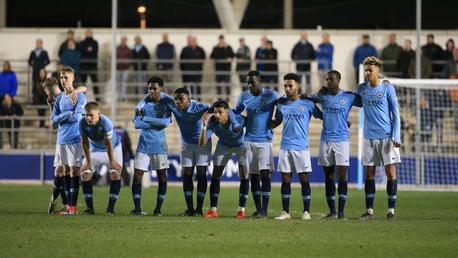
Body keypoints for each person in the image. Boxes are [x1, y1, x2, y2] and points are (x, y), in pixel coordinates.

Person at [308, 70, 362, 219]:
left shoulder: (348, 96)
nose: (328, 82)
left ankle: (341, 212)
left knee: (342, 175)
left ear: (339, 79)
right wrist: (317, 92)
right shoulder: (322, 96)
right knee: (329, 176)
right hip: (325, 140)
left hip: (342, 140)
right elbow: (306, 99)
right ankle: (332, 211)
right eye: (327, 79)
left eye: (331, 79)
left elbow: (365, 102)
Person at [354, 56, 401, 220]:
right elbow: (349, 101)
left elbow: (395, 113)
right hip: (369, 137)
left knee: (390, 172)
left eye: (370, 70)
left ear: (378, 71)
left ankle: (391, 210)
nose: (367, 73)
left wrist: (397, 136)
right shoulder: (361, 89)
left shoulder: (388, 88)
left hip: (387, 136)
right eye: (366, 70)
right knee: (369, 173)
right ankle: (369, 210)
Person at [270, 73, 321, 220]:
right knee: (286, 178)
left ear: (298, 86)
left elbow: (322, 115)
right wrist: (269, 124)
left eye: (290, 85)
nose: (287, 88)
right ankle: (285, 212)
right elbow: (278, 120)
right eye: (285, 86)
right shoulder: (281, 104)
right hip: (285, 146)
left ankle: (307, 212)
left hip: (301, 147)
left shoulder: (308, 103)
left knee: (304, 178)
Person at [234, 70, 280, 218]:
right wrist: (241, 122)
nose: (249, 85)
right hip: (248, 140)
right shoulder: (243, 96)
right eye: (247, 82)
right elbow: (235, 112)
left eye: (252, 82)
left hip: (265, 141)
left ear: (260, 82)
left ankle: (265, 210)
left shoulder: (271, 95)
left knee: (265, 174)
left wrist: (277, 121)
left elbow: (283, 106)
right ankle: (259, 209)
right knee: (253, 175)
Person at [164, 87, 213, 216]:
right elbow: (159, 95)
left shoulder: (199, 106)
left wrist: (210, 114)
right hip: (186, 145)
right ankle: (190, 209)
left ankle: (199, 209)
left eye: (181, 99)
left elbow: (216, 107)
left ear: (188, 99)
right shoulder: (174, 106)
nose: (178, 102)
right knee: (187, 174)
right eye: (176, 99)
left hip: (202, 144)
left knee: (201, 174)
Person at [43, 77, 87, 214]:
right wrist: (64, 112)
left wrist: (77, 91)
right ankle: (61, 202)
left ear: (50, 89)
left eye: (48, 92)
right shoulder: (55, 102)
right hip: (61, 139)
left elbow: (83, 88)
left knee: (65, 171)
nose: (48, 96)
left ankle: (64, 203)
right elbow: (54, 123)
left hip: (73, 138)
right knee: (60, 172)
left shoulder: (66, 96)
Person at [130, 76, 172, 216]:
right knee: (137, 176)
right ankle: (137, 208)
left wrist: (146, 119)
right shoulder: (143, 105)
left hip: (159, 145)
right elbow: (136, 123)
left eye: (154, 88)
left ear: (161, 89)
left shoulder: (166, 104)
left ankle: (158, 209)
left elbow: (165, 123)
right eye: (150, 88)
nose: (152, 91)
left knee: (162, 177)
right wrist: (155, 122)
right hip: (143, 145)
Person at [199, 100, 248, 219]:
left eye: (220, 112)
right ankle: (213, 210)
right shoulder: (213, 122)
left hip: (240, 145)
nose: (217, 115)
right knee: (216, 175)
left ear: (227, 112)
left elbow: (253, 125)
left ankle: (241, 210)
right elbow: (202, 143)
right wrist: (204, 127)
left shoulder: (239, 119)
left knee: (244, 176)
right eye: (215, 112)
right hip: (223, 146)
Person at [79, 101, 123, 215]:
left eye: (91, 115)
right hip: (95, 150)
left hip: (113, 148)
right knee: (85, 173)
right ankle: (89, 209)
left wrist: (112, 161)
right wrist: (87, 161)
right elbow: (84, 142)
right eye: (86, 115)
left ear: (98, 114)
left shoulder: (106, 123)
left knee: (115, 173)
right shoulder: (82, 123)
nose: (88, 118)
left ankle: (110, 209)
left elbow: (108, 144)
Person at [210, 34, 234, 101]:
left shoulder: (228, 47)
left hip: (226, 70)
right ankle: (219, 99)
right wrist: (210, 59)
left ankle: (228, 99)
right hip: (218, 70)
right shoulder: (215, 48)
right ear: (219, 40)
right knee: (218, 86)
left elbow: (232, 56)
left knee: (227, 85)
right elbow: (211, 56)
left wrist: (230, 59)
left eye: (222, 39)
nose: (221, 41)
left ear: (224, 40)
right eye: (220, 39)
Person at [79, 29, 100, 101]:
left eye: (89, 33)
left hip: (93, 65)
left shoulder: (95, 42)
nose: (87, 34)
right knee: (83, 83)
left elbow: (95, 51)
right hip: (84, 65)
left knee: (95, 83)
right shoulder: (82, 42)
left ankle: (97, 99)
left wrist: (87, 50)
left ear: (91, 34)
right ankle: (82, 100)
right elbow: (81, 51)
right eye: (86, 33)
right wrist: (88, 50)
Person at [116, 35, 133, 101]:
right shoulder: (117, 49)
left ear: (126, 41)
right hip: (118, 68)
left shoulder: (128, 49)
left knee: (123, 83)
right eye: (122, 39)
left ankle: (122, 97)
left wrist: (127, 65)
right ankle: (119, 96)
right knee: (118, 83)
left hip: (125, 69)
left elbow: (130, 58)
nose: (123, 41)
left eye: (124, 40)